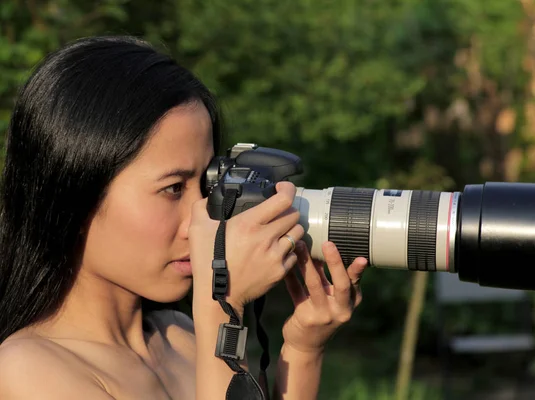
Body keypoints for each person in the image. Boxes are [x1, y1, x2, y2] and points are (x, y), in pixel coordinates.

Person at [0, 36, 368, 399]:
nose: (202, 219)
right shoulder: (26, 369)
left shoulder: (179, 335)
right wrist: (219, 303)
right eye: (174, 188)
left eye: (207, 184)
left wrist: (303, 350)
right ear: (74, 192)